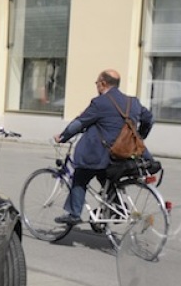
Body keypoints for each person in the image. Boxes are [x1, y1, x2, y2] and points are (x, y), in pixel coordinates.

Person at [54, 69, 154, 225]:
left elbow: (79, 123)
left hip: (102, 154)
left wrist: (63, 136)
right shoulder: (132, 102)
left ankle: (74, 214)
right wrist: (140, 137)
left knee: (80, 176)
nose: (96, 86)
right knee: (106, 177)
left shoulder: (100, 102)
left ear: (103, 83)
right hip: (125, 155)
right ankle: (118, 209)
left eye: (97, 83)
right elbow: (148, 119)